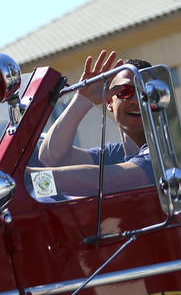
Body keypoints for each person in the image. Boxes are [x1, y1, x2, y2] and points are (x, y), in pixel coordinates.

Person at [34, 49, 154, 196]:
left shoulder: (166, 152)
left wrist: (31, 182)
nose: (136, 101)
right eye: (126, 91)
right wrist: (82, 100)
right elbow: (50, 158)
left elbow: (100, 182)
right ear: (109, 102)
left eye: (145, 93)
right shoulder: (114, 154)